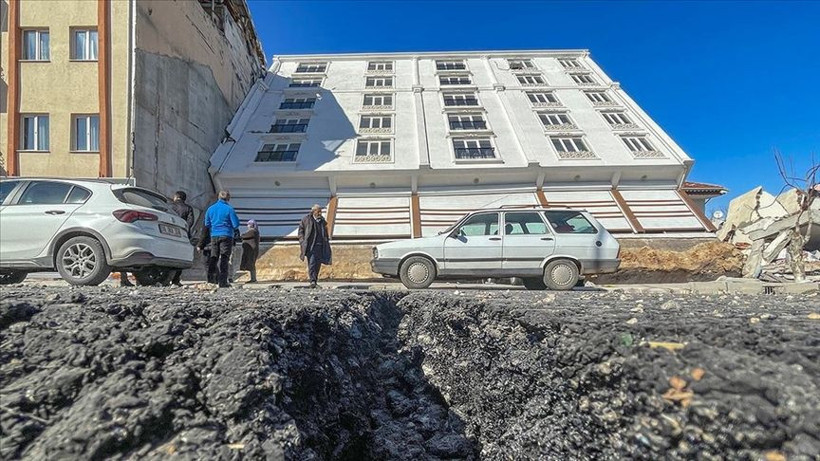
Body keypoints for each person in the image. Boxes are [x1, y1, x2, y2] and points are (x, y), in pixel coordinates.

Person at [203, 190, 240, 288]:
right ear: (228, 198)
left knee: (214, 257)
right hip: (227, 235)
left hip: (214, 235)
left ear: (218, 197)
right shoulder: (229, 209)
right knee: (224, 258)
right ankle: (223, 282)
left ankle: (211, 280)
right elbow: (236, 224)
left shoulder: (210, 209)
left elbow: (207, 224)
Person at [298, 204, 332, 288]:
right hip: (311, 246)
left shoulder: (322, 221)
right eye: (318, 211)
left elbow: (325, 234)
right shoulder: (306, 220)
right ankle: (312, 281)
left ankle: (315, 281)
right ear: (313, 211)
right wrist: (302, 241)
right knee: (312, 263)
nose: (320, 213)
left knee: (318, 264)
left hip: (320, 246)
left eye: (320, 211)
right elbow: (301, 231)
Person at [170, 191, 195, 287]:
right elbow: (190, 222)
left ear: (176, 197)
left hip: (170, 234)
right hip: (183, 235)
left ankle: (166, 277)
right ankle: (176, 280)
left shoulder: (169, 206)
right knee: (180, 257)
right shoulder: (188, 208)